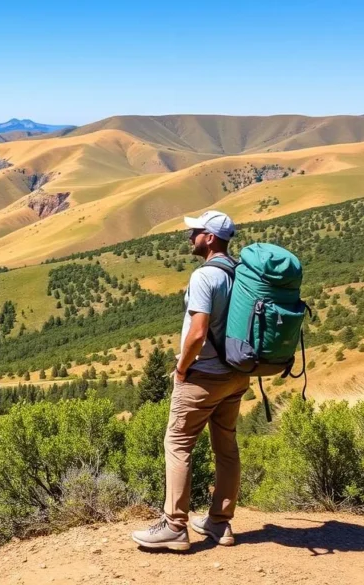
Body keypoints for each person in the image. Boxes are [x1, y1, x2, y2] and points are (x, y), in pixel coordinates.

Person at [131, 210, 249, 551]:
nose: (190, 237)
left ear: (210, 238)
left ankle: (174, 527)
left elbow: (197, 333)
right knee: (226, 448)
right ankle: (220, 524)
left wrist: (181, 368)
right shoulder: (241, 273)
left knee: (178, 444)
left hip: (203, 377)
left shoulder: (204, 276)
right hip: (236, 375)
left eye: (195, 231)